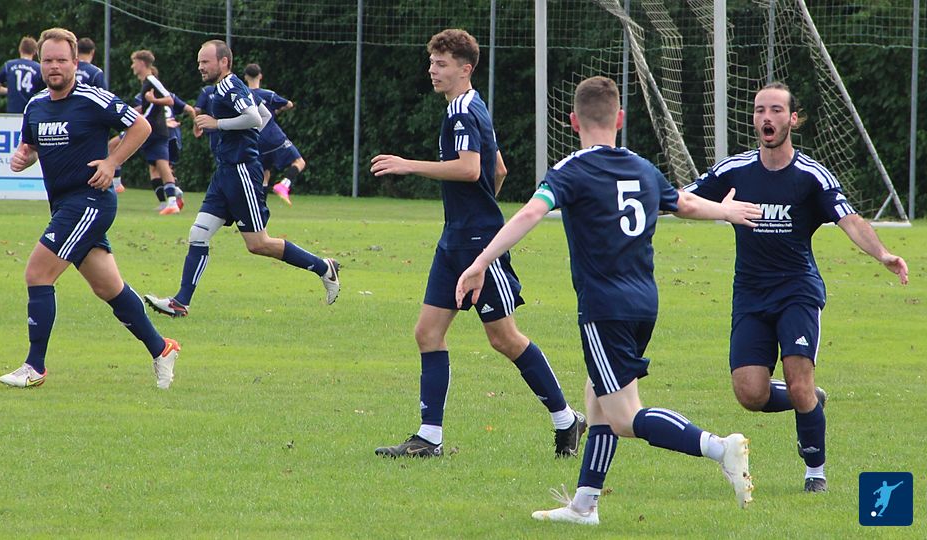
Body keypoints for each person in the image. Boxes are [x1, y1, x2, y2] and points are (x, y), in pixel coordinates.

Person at [455, 76, 761, 524]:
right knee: (597, 396)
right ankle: (584, 506)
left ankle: (720, 448)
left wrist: (481, 261)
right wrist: (727, 211)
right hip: (643, 303)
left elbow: (531, 212)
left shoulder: (570, 170)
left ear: (572, 121)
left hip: (604, 306)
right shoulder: (643, 167)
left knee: (623, 416)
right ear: (619, 119)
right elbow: (686, 204)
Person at [683, 82, 909, 494]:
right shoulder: (735, 170)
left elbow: (849, 219)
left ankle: (814, 472)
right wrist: (720, 209)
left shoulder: (810, 176)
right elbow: (684, 201)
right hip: (750, 294)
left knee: (798, 378)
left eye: (775, 110)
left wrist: (882, 254)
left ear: (793, 119)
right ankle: (809, 399)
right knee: (749, 393)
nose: (766, 117)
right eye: (759, 110)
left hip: (797, 291)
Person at [371, 29, 586, 460]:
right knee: (427, 333)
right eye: (432, 62)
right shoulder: (468, 106)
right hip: (455, 239)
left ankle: (567, 419)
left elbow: (471, 170)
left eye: (441, 64)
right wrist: (479, 205)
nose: (432, 70)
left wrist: (409, 165)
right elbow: (498, 169)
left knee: (504, 338)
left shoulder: (463, 112)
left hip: (477, 244)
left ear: (465, 69)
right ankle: (429, 438)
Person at [0, 27, 180, 390]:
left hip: (90, 201)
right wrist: (24, 158)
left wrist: (112, 162)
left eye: (61, 60)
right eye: (48, 60)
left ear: (75, 63)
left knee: (37, 273)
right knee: (108, 287)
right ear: (40, 63)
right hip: (63, 206)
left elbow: (141, 126)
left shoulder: (93, 98)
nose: (54, 66)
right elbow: (31, 148)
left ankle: (34, 366)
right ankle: (162, 349)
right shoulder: (35, 106)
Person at [143, 39, 340, 318]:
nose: (200, 67)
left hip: (242, 172)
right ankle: (180, 302)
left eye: (205, 61)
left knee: (258, 244)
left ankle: (324, 267)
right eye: (199, 62)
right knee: (198, 234)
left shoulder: (231, 86)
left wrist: (218, 124)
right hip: (225, 173)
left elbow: (254, 119)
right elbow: (263, 114)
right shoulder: (222, 88)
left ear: (224, 62)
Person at [129, 50, 181, 214]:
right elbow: (148, 108)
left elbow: (169, 99)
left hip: (155, 129)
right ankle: (168, 201)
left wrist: (154, 100)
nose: (132, 66)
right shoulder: (145, 82)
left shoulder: (151, 79)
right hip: (150, 129)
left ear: (141, 63)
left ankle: (172, 202)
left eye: (134, 62)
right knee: (155, 166)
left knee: (162, 164)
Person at [243, 63, 304, 204]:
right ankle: (284, 184)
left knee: (264, 174)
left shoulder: (244, 96)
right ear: (260, 76)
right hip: (272, 137)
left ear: (245, 77)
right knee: (299, 162)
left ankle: (260, 209)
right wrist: (277, 110)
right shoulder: (268, 95)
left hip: (255, 140)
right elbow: (288, 104)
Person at [0, 36, 46, 113]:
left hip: (13, 112)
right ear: (35, 52)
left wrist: (12, 90)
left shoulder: (8, 66)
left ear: (20, 49)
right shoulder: (39, 68)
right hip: (31, 112)